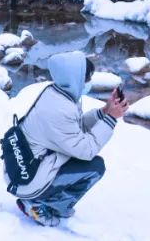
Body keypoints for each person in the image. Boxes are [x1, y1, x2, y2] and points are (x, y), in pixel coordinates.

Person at [9, 52, 127, 227]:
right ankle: (40, 204)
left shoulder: (57, 93)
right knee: (94, 167)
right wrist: (110, 119)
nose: (88, 83)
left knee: (82, 161)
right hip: (28, 180)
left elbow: (74, 129)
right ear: (75, 78)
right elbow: (86, 151)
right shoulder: (59, 109)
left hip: (24, 169)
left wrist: (104, 111)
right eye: (87, 78)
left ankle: (50, 200)